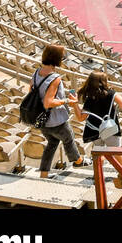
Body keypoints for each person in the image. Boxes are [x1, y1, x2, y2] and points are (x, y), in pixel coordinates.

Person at [32, 44, 86, 178]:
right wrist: (67, 101)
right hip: (56, 120)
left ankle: (44, 173)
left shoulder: (36, 73)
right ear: (56, 58)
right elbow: (48, 102)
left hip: (42, 121)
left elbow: (33, 94)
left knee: (51, 144)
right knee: (69, 140)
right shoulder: (55, 78)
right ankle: (78, 161)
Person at [77, 71, 122, 150]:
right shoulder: (111, 93)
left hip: (94, 128)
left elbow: (81, 118)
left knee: (99, 153)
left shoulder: (90, 97)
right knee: (116, 152)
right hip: (109, 127)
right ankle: (121, 163)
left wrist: (74, 105)